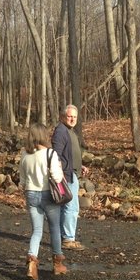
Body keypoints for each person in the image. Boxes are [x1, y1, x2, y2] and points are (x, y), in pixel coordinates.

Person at [18, 123, 68, 280]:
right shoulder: (50, 154)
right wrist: (59, 167)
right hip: (48, 194)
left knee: (37, 231)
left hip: (31, 193)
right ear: (44, 135)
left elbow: (22, 180)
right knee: (54, 228)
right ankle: (57, 264)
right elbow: (57, 177)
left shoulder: (25, 155)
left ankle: (32, 262)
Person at [51, 104, 89, 251]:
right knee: (71, 207)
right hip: (66, 175)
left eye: (74, 116)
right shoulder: (60, 131)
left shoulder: (70, 131)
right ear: (63, 117)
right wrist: (61, 175)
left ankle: (65, 237)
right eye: (69, 116)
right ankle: (68, 239)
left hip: (72, 172)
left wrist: (81, 167)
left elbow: (70, 155)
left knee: (68, 206)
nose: (72, 119)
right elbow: (56, 155)